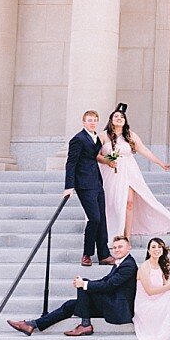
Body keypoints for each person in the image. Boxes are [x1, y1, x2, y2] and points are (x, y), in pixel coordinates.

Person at [8, 235, 137, 337]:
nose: (117, 250)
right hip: (111, 304)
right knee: (71, 304)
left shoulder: (128, 265)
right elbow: (105, 280)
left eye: (120, 247)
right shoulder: (120, 262)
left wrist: (85, 284)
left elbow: (109, 285)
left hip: (119, 308)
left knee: (84, 285)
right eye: (114, 248)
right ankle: (32, 325)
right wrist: (86, 284)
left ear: (128, 248)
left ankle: (85, 325)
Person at [99, 105, 170, 240]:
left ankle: (127, 236)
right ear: (111, 120)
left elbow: (144, 150)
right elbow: (96, 155)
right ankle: (113, 232)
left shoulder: (130, 135)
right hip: (111, 172)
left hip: (129, 171)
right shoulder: (103, 135)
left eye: (122, 117)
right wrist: (107, 161)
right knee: (114, 203)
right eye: (116, 116)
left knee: (129, 202)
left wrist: (161, 163)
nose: (119, 118)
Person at [64, 109, 110, 267]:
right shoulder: (78, 139)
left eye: (95, 120)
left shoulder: (96, 137)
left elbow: (94, 156)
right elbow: (71, 163)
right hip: (84, 184)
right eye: (89, 120)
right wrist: (69, 186)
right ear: (84, 122)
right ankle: (87, 254)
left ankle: (104, 254)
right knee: (94, 218)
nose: (92, 123)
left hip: (97, 182)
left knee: (102, 219)